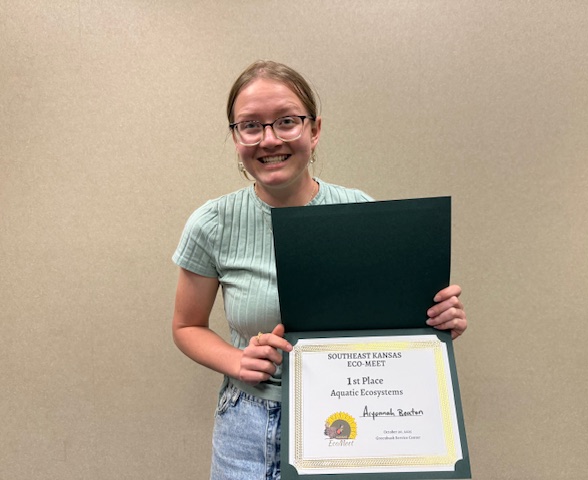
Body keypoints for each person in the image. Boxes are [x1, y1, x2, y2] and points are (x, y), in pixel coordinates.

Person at [172, 60, 468, 480]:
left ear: (314, 130)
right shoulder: (212, 223)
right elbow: (187, 326)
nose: (269, 139)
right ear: (236, 137)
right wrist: (236, 361)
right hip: (249, 428)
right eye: (251, 126)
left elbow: (392, 326)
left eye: (286, 121)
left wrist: (436, 321)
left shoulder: (362, 213)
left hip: (351, 418)